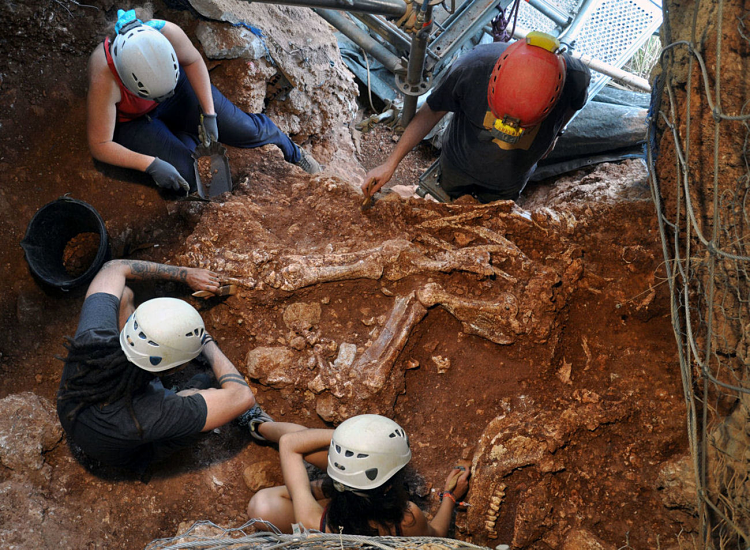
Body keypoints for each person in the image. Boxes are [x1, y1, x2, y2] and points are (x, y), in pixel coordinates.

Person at [56, 259, 272, 474]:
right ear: (172, 370)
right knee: (197, 389)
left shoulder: (92, 338)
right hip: (126, 452)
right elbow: (243, 397)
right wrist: (206, 342)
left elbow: (114, 268)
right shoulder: (153, 413)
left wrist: (186, 274)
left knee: (123, 296)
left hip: (78, 418)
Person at [87, 7, 321, 195]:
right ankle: (183, 139)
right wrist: (150, 165)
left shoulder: (166, 33)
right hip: (135, 120)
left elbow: (193, 61)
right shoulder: (105, 76)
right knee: (187, 177)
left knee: (244, 128)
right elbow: (100, 144)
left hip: (178, 91)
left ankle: (295, 153)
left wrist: (209, 114)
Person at [362, 31, 591, 203]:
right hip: (459, 163)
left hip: (510, 179)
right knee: (446, 195)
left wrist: (555, 134)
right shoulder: (473, 67)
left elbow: (574, 107)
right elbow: (431, 111)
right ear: (493, 84)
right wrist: (390, 164)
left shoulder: (576, 79)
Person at [246, 414, 470, 536]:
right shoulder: (406, 520)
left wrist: (346, 438)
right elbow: (436, 533)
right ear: (389, 486)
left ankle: (258, 426)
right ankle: (328, 485)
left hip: (331, 520)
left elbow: (290, 442)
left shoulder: (312, 520)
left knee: (260, 506)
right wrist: (449, 496)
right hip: (363, 509)